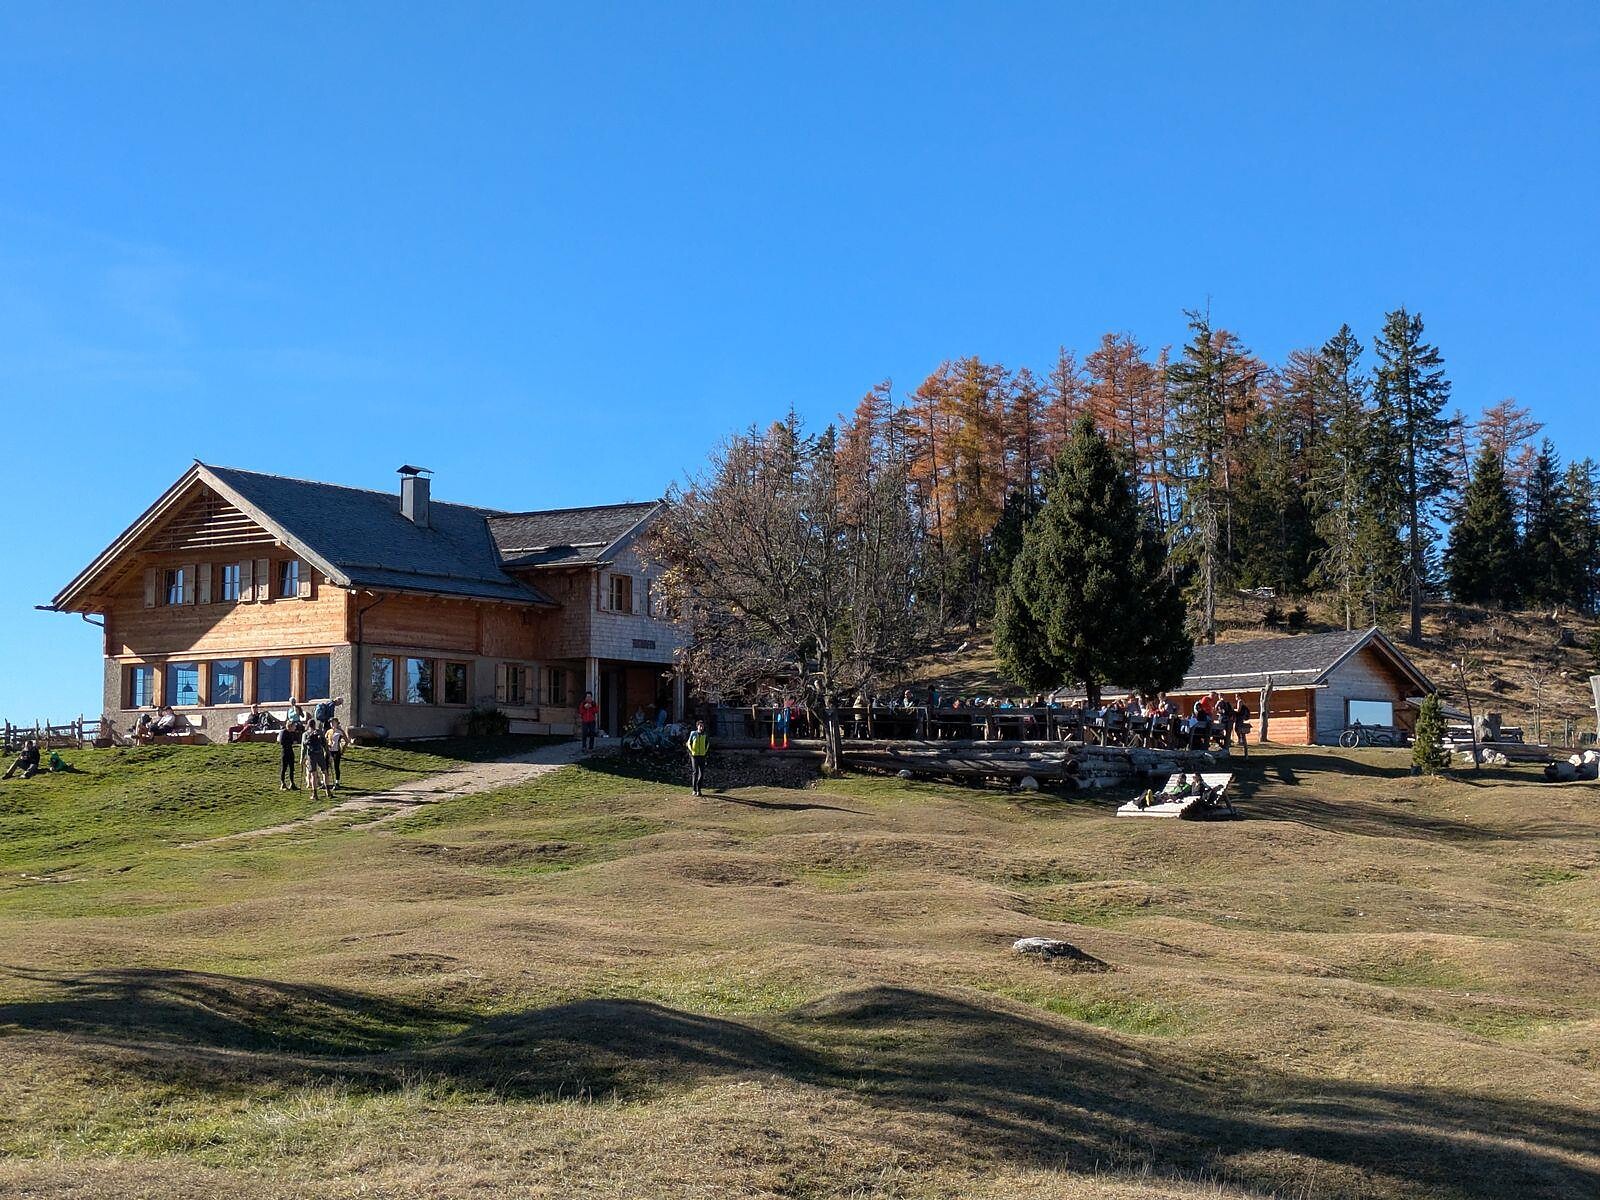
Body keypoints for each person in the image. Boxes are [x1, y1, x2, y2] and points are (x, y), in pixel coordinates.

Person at [302, 720, 329, 800]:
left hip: (311, 755)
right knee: (324, 772)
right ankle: (328, 791)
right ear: (314, 725)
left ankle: (315, 794)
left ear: (308, 725)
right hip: (320, 753)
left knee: (313, 774)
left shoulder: (305, 734)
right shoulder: (319, 732)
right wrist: (327, 753)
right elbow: (324, 743)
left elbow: (304, 746)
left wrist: (302, 758)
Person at [686, 719, 710, 796]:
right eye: (700, 726)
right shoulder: (693, 733)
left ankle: (699, 790)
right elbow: (688, 743)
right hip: (694, 756)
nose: (701, 727)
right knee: (695, 772)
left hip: (702, 756)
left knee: (701, 774)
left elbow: (707, 744)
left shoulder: (705, 735)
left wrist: (705, 752)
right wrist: (691, 752)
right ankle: (694, 790)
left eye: (702, 726)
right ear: (697, 726)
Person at [326, 718, 348, 788]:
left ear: (337, 723)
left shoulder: (340, 732)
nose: (331, 724)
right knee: (326, 766)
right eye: (330, 722)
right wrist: (326, 745)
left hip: (336, 751)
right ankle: (326, 782)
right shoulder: (328, 731)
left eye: (333, 722)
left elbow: (346, 741)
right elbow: (325, 739)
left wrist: (343, 749)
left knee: (336, 766)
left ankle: (337, 783)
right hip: (329, 751)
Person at [277, 719, 299, 790]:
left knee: (292, 768)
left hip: (290, 751)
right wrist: (291, 742)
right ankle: (283, 783)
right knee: (284, 768)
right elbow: (282, 742)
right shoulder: (284, 732)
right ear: (290, 726)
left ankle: (292, 783)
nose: (295, 727)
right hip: (285, 752)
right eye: (294, 726)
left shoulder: (292, 733)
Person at [1231, 692, 1252, 758]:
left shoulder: (1240, 701)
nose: (1235, 697)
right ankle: (1240, 740)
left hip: (1240, 716)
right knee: (1238, 728)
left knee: (1237, 728)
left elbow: (1238, 710)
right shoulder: (1242, 701)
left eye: (1236, 696)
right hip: (1241, 716)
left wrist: (1232, 710)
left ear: (1239, 696)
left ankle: (1240, 740)